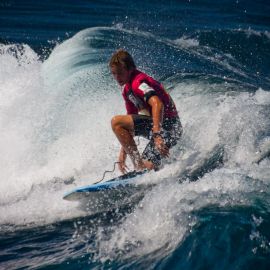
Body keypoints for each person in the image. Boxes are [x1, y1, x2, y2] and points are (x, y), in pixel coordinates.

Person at [110, 49, 182, 174]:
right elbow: (129, 125)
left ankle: (138, 166)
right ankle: (143, 169)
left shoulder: (138, 82)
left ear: (130, 69)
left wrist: (157, 134)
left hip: (169, 127)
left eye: (120, 73)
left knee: (116, 122)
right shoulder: (127, 90)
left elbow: (157, 104)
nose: (117, 77)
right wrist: (123, 153)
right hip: (169, 130)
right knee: (149, 170)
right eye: (114, 74)